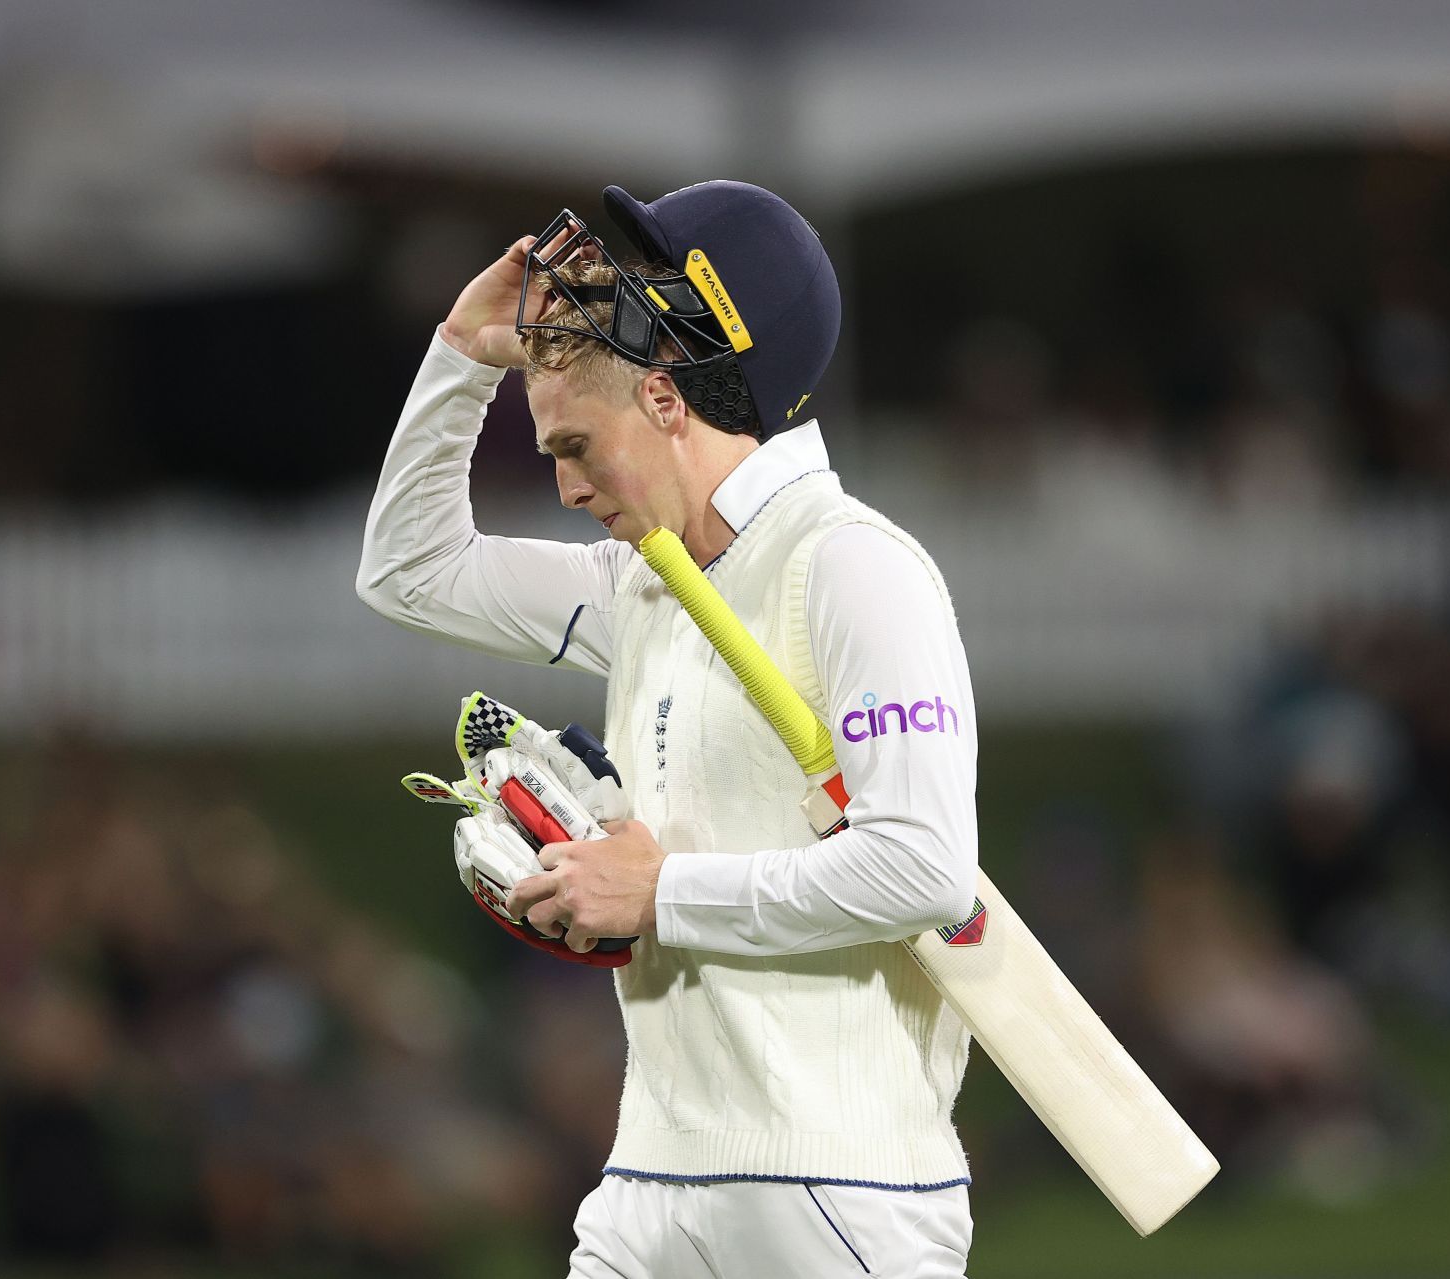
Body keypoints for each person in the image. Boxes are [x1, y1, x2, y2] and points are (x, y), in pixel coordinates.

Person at [358, 181, 982, 1278]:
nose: (561, 488)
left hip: (840, 1197)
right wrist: (462, 352)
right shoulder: (648, 582)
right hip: (647, 1182)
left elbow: (926, 870)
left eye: (575, 446)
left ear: (662, 400)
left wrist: (659, 893)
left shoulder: (853, 565)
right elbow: (410, 569)